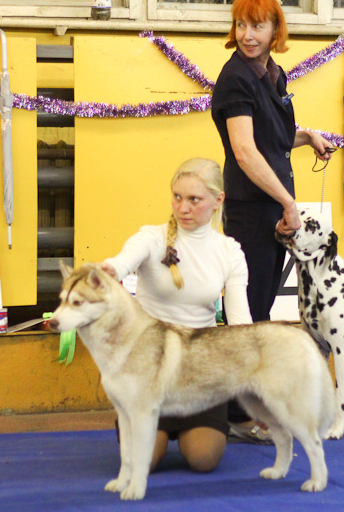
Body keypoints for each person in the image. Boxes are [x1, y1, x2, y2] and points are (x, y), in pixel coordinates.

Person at [210, 0, 334, 439]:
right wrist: (287, 202)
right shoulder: (236, 79)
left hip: (269, 209)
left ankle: (241, 409)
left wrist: (307, 137)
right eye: (241, 25)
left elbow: (269, 137)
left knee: (257, 310)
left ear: (275, 30)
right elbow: (244, 151)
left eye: (257, 26)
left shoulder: (271, 74)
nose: (247, 35)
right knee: (247, 315)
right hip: (253, 211)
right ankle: (235, 414)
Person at [101, 158, 252, 473]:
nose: (183, 208)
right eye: (177, 197)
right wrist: (110, 270)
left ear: (218, 201)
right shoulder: (151, 238)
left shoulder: (230, 252)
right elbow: (122, 261)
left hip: (201, 373)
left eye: (194, 199)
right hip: (148, 370)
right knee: (144, 462)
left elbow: (241, 326)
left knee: (203, 459)